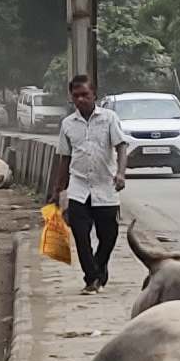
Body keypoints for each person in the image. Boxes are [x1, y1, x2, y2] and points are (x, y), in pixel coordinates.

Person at [57, 74, 127, 291]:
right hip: (78, 187)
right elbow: (64, 157)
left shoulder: (109, 119)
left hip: (105, 185)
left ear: (94, 94)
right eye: (76, 96)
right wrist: (58, 187)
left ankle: (98, 266)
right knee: (80, 234)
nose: (80, 100)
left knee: (109, 235)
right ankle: (91, 278)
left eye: (84, 95)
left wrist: (121, 174)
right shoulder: (68, 124)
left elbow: (121, 146)